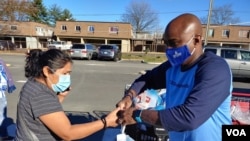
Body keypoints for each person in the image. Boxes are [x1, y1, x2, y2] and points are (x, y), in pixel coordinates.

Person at [116, 13, 232, 141]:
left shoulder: (215, 69)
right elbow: (147, 79)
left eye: (173, 43)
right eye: (166, 43)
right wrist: (129, 96)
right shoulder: (173, 66)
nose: (168, 49)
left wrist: (138, 114)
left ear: (196, 40)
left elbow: (189, 117)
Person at [14, 49, 121, 141]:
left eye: (69, 74)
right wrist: (105, 122)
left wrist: (60, 97)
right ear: (47, 71)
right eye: (64, 73)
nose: (67, 78)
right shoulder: (40, 95)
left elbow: (45, 113)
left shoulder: (33, 84)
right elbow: (68, 133)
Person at [0, 57, 16, 140]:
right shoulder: (1, 61)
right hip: (0, 94)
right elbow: (6, 75)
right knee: (2, 116)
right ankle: (3, 135)